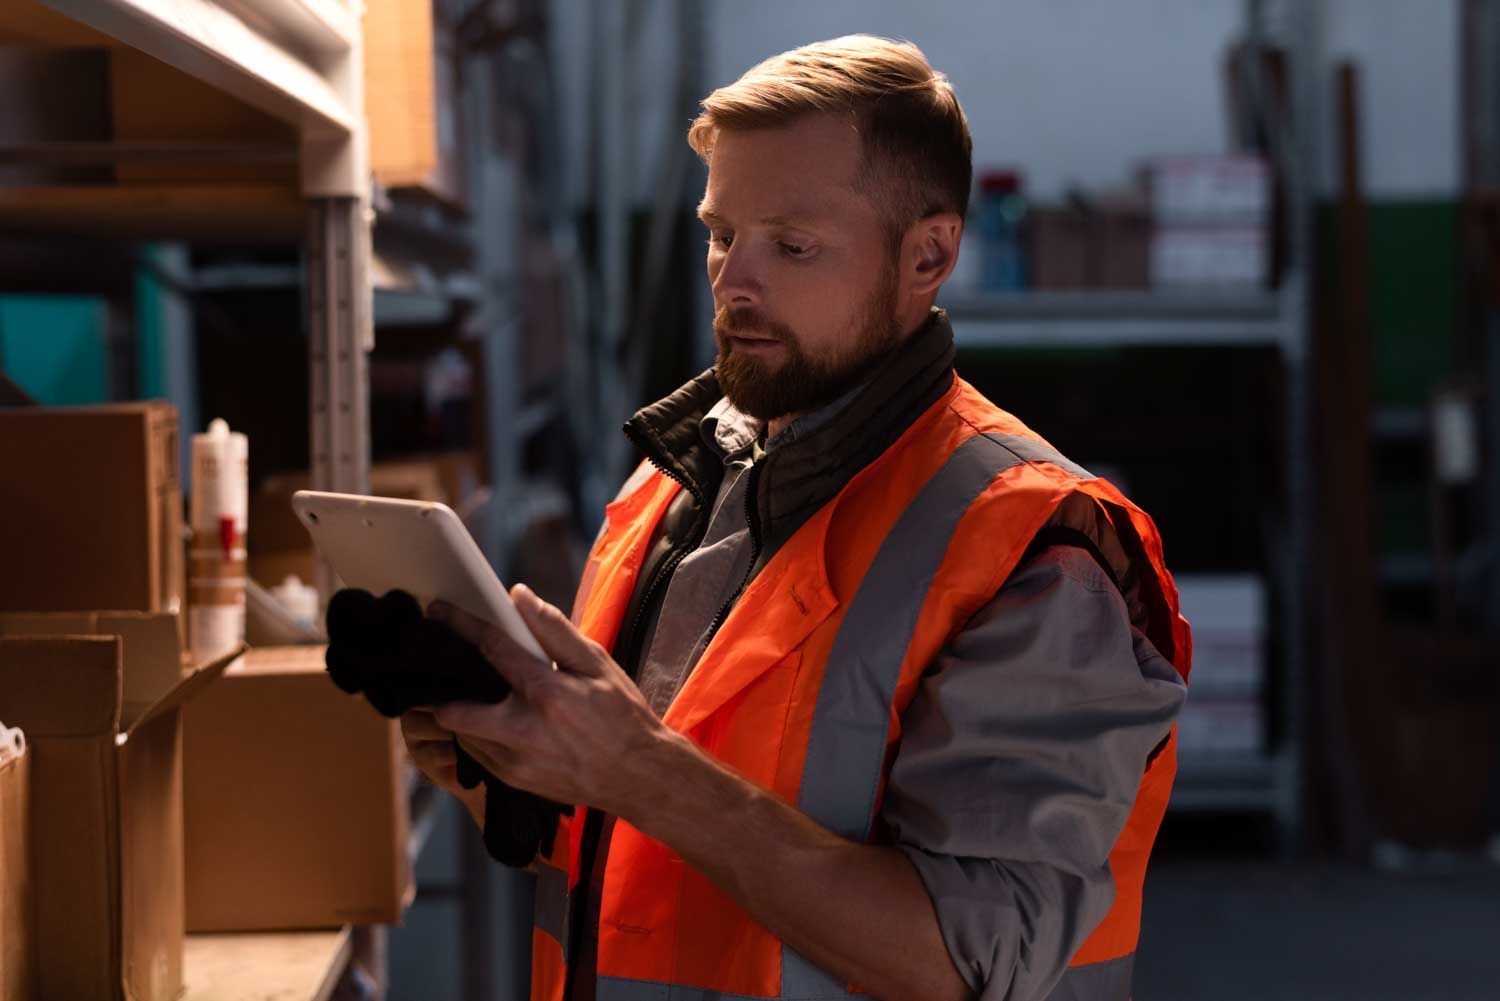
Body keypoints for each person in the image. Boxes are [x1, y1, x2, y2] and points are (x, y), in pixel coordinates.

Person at [401, 35, 1189, 1001]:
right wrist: (511, 771)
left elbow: (963, 957)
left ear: (929, 254)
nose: (734, 281)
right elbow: (652, 846)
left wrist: (639, 769)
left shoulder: (1034, 547)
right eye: (720, 232)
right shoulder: (678, 484)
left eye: (792, 244)